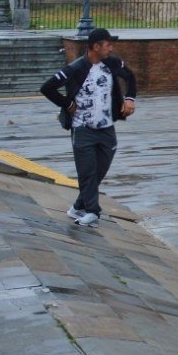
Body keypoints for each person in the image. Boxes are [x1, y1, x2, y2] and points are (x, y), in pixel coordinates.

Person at [39, 28, 137, 227]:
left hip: (107, 129)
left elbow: (130, 77)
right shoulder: (76, 68)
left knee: (99, 171)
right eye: (108, 44)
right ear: (96, 47)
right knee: (87, 172)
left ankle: (77, 207)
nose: (112, 48)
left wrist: (129, 99)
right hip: (82, 129)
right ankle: (93, 212)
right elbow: (47, 88)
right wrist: (67, 104)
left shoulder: (112, 63)